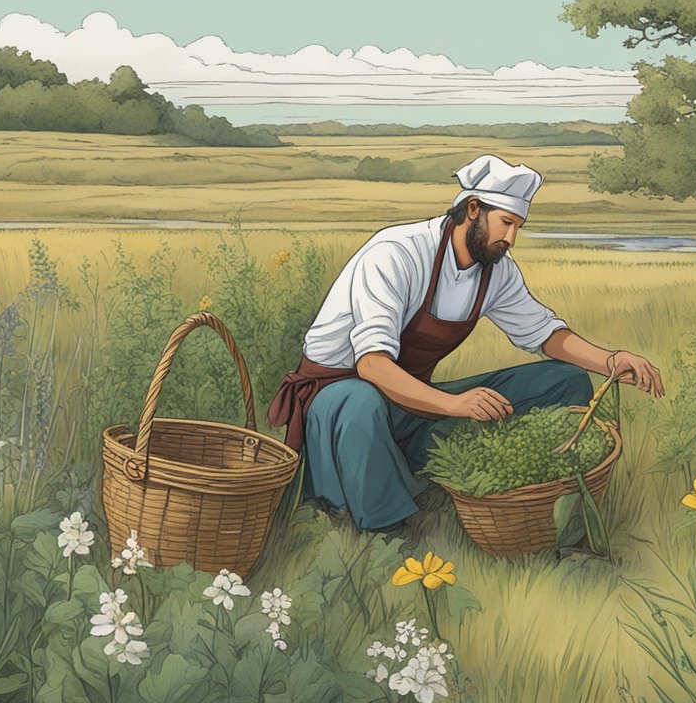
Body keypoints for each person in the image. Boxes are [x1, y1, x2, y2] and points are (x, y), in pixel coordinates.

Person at [268, 154, 665, 532]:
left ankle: (516, 486)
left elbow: (545, 334)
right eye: (506, 223)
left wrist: (611, 360)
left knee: (565, 381)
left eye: (518, 228)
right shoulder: (396, 254)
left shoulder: (495, 269)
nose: (511, 238)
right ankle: (385, 527)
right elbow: (371, 365)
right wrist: (454, 405)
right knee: (362, 400)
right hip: (338, 402)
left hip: (411, 403)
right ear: (473, 208)